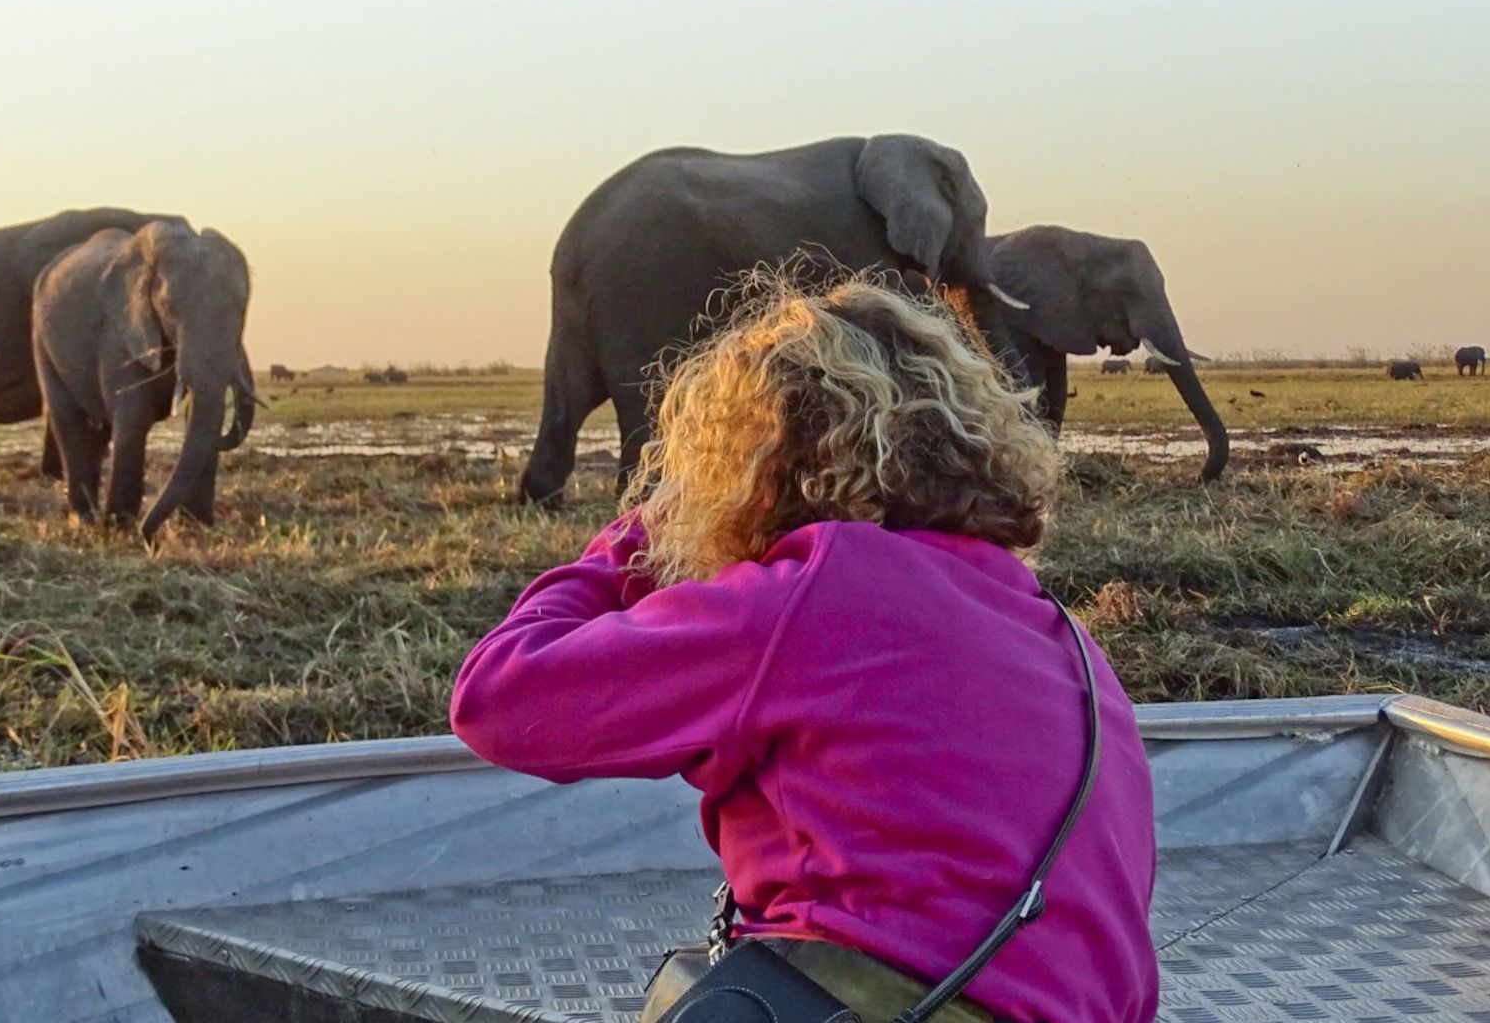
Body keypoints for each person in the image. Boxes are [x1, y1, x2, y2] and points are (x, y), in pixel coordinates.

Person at [451, 274, 1158, 1022]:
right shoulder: (1053, 625)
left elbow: (500, 698)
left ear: (755, 462)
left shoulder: (817, 593)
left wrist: (644, 532)